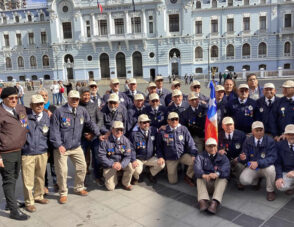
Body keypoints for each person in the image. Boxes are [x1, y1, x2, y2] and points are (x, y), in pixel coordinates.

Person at [50, 90, 101, 204]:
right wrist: (59, 145)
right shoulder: (59, 112)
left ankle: (78, 187)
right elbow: (54, 131)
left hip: (76, 146)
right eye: (72, 99)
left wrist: (98, 134)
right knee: (62, 171)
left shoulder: (82, 111)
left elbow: (90, 123)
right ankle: (63, 193)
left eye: (77, 99)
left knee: (82, 167)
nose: (75, 101)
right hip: (62, 147)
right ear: (68, 99)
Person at [0, 87, 30, 220]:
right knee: (9, 180)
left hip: (19, 150)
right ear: (4, 99)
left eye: (16, 97)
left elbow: (26, 117)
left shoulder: (20, 108)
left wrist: (48, 110)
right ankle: (13, 211)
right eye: (11, 98)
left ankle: (9, 202)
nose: (14, 100)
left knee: (14, 178)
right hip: (6, 153)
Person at [21, 95, 50, 213]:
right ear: (31, 106)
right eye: (36, 104)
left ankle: (38, 196)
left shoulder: (47, 117)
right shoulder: (24, 117)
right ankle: (29, 202)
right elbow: (21, 133)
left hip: (42, 152)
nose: (39, 106)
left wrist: (48, 150)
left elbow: (49, 134)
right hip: (28, 152)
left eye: (41, 104)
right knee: (28, 180)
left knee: (40, 176)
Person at [239, 121, 277, 201]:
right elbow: (245, 155)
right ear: (252, 131)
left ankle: (270, 191)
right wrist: (243, 158)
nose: (259, 132)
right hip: (253, 167)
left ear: (264, 130)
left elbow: (273, 157)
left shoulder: (270, 141)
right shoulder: (248, 140)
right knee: (243, 179)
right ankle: (256, 181)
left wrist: (258, 163)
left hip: (265, 166)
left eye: (261, 130)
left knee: (271, 169)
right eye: (257, 130)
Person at [156, 112, 197, 185]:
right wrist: (161, 157)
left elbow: (190, 143)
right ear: (168, 121)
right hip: (170, 158)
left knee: (196, 161)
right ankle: (168, 171)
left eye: (176, 119)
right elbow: (158, 147)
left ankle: (188, 176)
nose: (174, 121)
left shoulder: (183, 129)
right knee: (173, 182)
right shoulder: (162, 131)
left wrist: (193, 154)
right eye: (172, 119)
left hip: (182, 155)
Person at [194, 138, 230, 214]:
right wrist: (204, 175)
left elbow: (226, 169)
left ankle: (215, 202)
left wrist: (217, 174)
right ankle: (203, 200)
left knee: (223, 179)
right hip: (206, 183)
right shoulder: (200, 157)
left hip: (217, 185)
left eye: (214, 146)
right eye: (209, 146)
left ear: (217, 147)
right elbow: (197, 169)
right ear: (205, 147)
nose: (212, 148)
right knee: (199, 178)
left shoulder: (223, 157)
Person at [98, 121, 134, 191]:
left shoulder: (125, 141)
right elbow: (101, 156)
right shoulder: (105, 141)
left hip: (121, 163)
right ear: (112, 129)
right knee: (110, 188)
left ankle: (125, 183)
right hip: (110, 165)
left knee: (131, 167)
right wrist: (112, 164)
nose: (119, 131)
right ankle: (114, 177)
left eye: (121, 130)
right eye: (117, 129)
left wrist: (122, 164)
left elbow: (128, 156)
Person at [79, 87, 105, 182]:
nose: (86, 97)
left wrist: (94, 133)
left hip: (94, 136)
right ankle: (82, 178)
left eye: (88, 95)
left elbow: (100, 120)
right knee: (82, 159)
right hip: (82, 136)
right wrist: (84, 134)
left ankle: (97, 176)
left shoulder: (94, 106)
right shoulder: (77, 106)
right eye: (84, 95)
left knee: (97, 157)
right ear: (80, 96)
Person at [129, 114, 165, 184]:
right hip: (139, 158)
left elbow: (158, 146)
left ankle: (151, 174)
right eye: (144, 122)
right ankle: (136, 177)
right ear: (139, 123)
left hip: (150, 157)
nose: (147, 124)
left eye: (148, 122)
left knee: (162, 164)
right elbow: (132, 149)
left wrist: (160, 156)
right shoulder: (134, 134)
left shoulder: (153, 130)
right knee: (137, 170)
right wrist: (133, 160)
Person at [37, 88, 58, 194]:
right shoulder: (34, 108)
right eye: (42, 95)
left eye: (45, 95)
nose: (44, 97)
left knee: (54, 164)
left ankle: (56, 183)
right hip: (41, 141)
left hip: (51, 140)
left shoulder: (53, 108)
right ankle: (44, 185)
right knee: (43, 165)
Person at [218, 117, 246, 189]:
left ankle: (240, 182)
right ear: (222, 126)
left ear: (234, 125)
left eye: (231, 125)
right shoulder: (219, 136)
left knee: (240, 166)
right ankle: (226, 177)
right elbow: (215, 148)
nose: (229, 127)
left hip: (237, 159)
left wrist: (239, 157)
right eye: (227, 125)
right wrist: (219, 151)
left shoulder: (241, 135)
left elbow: (245, 149)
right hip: (225, 160)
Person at [275, 124, 294, 194]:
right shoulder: (279, 145)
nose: (292, 136)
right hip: (286, 172)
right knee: (281, 186)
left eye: (293, 134)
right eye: (289, 134)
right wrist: (279, 177)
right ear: (285, 135)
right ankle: (292, 186)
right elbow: (278, 163)